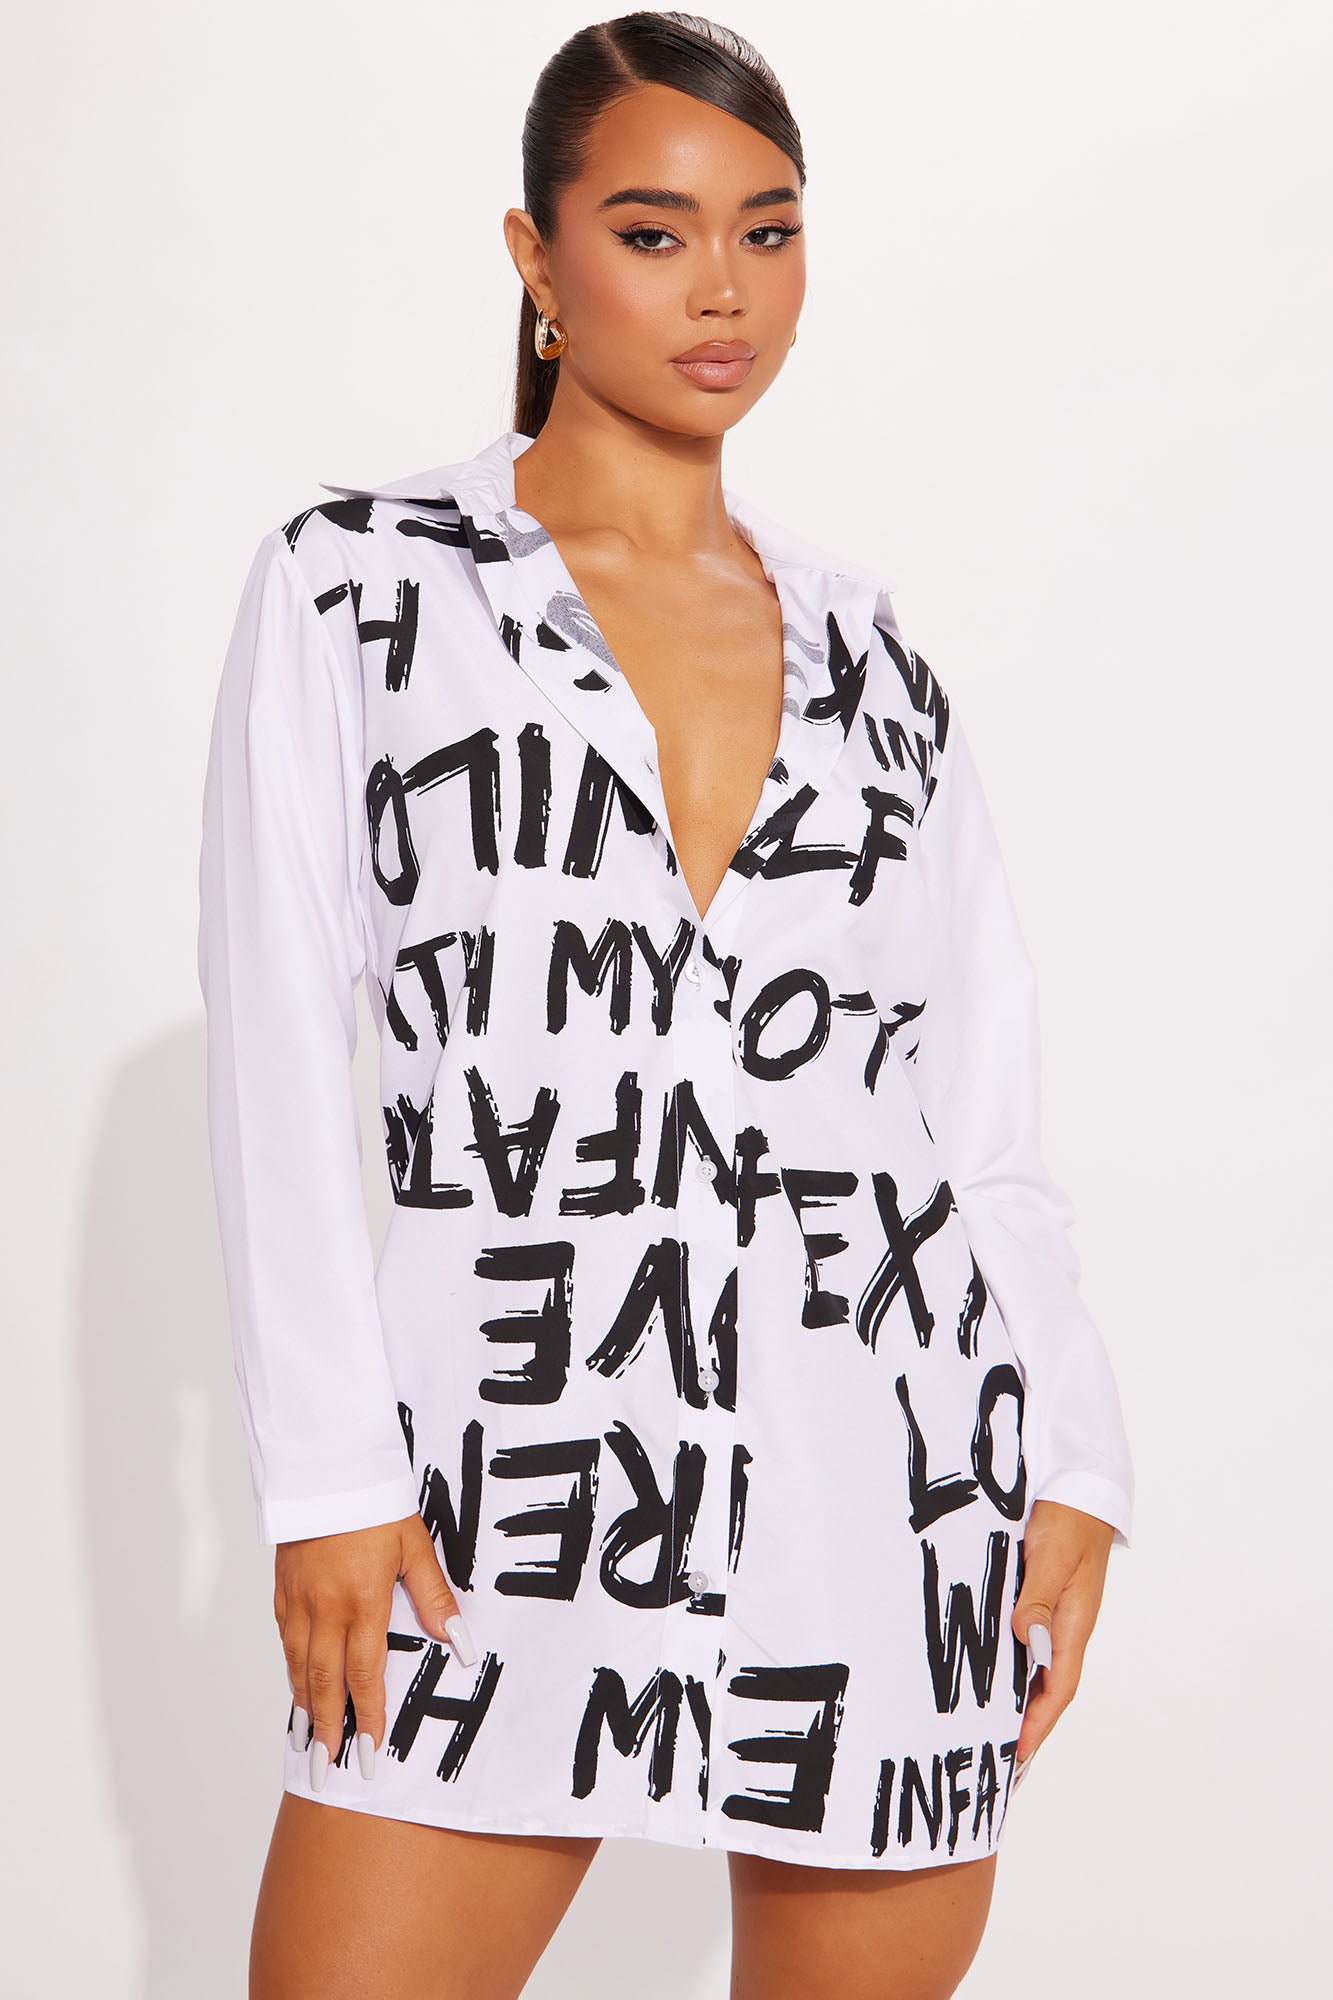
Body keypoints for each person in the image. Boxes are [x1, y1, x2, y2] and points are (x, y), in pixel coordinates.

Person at [196, 12, 1135, 1997]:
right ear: (534, 259)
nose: (723, 288)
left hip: (883, 1460)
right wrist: (331, 1480)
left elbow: (972, 1115)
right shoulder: (365, 591)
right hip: (505, 1475)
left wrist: (1072, 1456)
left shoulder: (875, 653)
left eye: (767, 232)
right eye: (653, 231)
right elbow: (279, 1051)